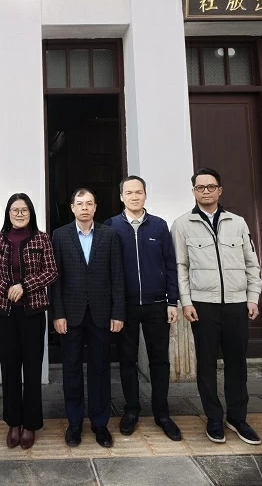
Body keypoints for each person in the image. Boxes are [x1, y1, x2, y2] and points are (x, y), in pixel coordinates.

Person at [171, 167, 262, 445]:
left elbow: (251, 262)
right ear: (194, 192)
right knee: (207, 365)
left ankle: (237, 418)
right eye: (201, 188)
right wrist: (186, 301)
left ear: (220, 190)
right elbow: (181, 267)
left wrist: (253, 297)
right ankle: (213, 418)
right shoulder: (182, 224)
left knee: (237, 363)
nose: (206, 191)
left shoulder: (238, 222)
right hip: (203, 305)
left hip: (236, 304)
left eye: (211, 187)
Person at [105, 175, 182, 441]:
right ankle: (131, 410)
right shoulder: (111, 226)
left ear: (145, 195)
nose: (134, 197)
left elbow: (171, 265)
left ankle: (162, 412)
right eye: (129, 192)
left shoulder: (159, 226)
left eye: (139, 192)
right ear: (121, 197)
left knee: (159, 360)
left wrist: (173, 300)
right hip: (125, 306)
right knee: (127, 360)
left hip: (157, 305)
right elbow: (107, 270)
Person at [51, 188, 124, 449]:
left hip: (102, 313)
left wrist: (118, 312)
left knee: (100, 368)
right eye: (79, 203)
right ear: (72, 208)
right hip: (70, 315)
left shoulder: (109, 235)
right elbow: (55, 280)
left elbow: (117, 277)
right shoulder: (59, 236)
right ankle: (74, 423)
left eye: (89, 203)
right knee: (70, 370)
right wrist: (57, 313)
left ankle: (100, 423)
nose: (84, 208)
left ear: (95, 208)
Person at [0, 193, 57, 450]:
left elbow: (51, 271)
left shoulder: (41, 238)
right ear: (8, 213)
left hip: (33, 314)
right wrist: (7, 288)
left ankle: (31, 424)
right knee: (11, 369)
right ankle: (13, 422)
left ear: (31, 213)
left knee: (33, 369)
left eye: (24, 209)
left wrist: (24, 286)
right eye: (15, 210)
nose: (19, 214)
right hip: (6, 314)